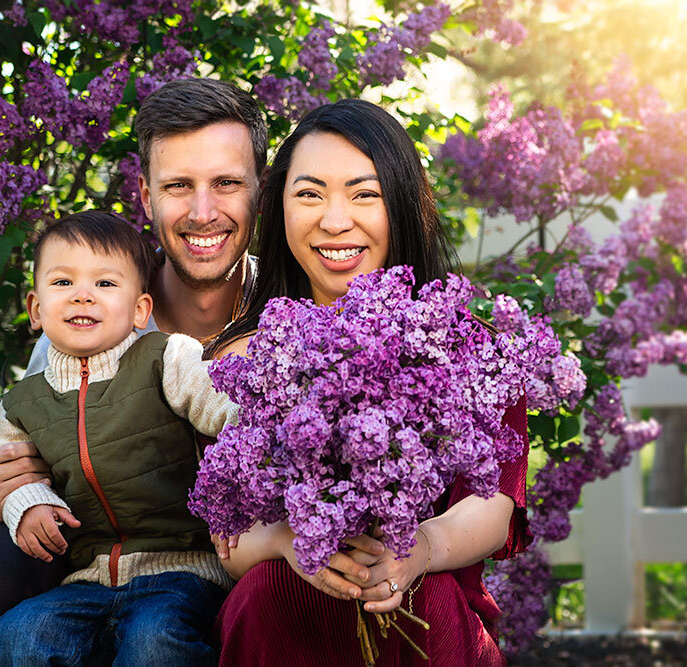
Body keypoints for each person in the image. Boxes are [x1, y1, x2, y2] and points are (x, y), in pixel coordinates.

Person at [0, 77, 267, 665]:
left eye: (225, 183)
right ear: (146, 197)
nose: (202, 212)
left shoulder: (287, 313)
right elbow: (17, 465)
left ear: (260, 191)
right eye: (177, 186)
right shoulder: (88, 320)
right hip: (95, 566)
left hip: (218, 566)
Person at [208, 99, 531, 666]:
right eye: (309, 194)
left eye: (365, 194)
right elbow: (231, 539)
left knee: (428, 599)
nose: (335, 221)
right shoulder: (248, 359)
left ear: (402, 206)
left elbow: (494, 506)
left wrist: (418, 550)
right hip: (286, 608)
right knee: (264, 594)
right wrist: (293, 543)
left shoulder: (472, 347)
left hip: (421, 616)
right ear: (279, 208)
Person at [0, 210, 238, 664]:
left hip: (181, 570)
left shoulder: (167, 359)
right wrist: (28, 505)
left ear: (140, 310)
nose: (83, 295)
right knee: (20, 633)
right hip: (87, 579)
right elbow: (14, 473)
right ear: (36, 309)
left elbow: (228, 413)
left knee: (154, 642)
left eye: (105, 284)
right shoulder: (21, 403)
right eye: (63, 283)